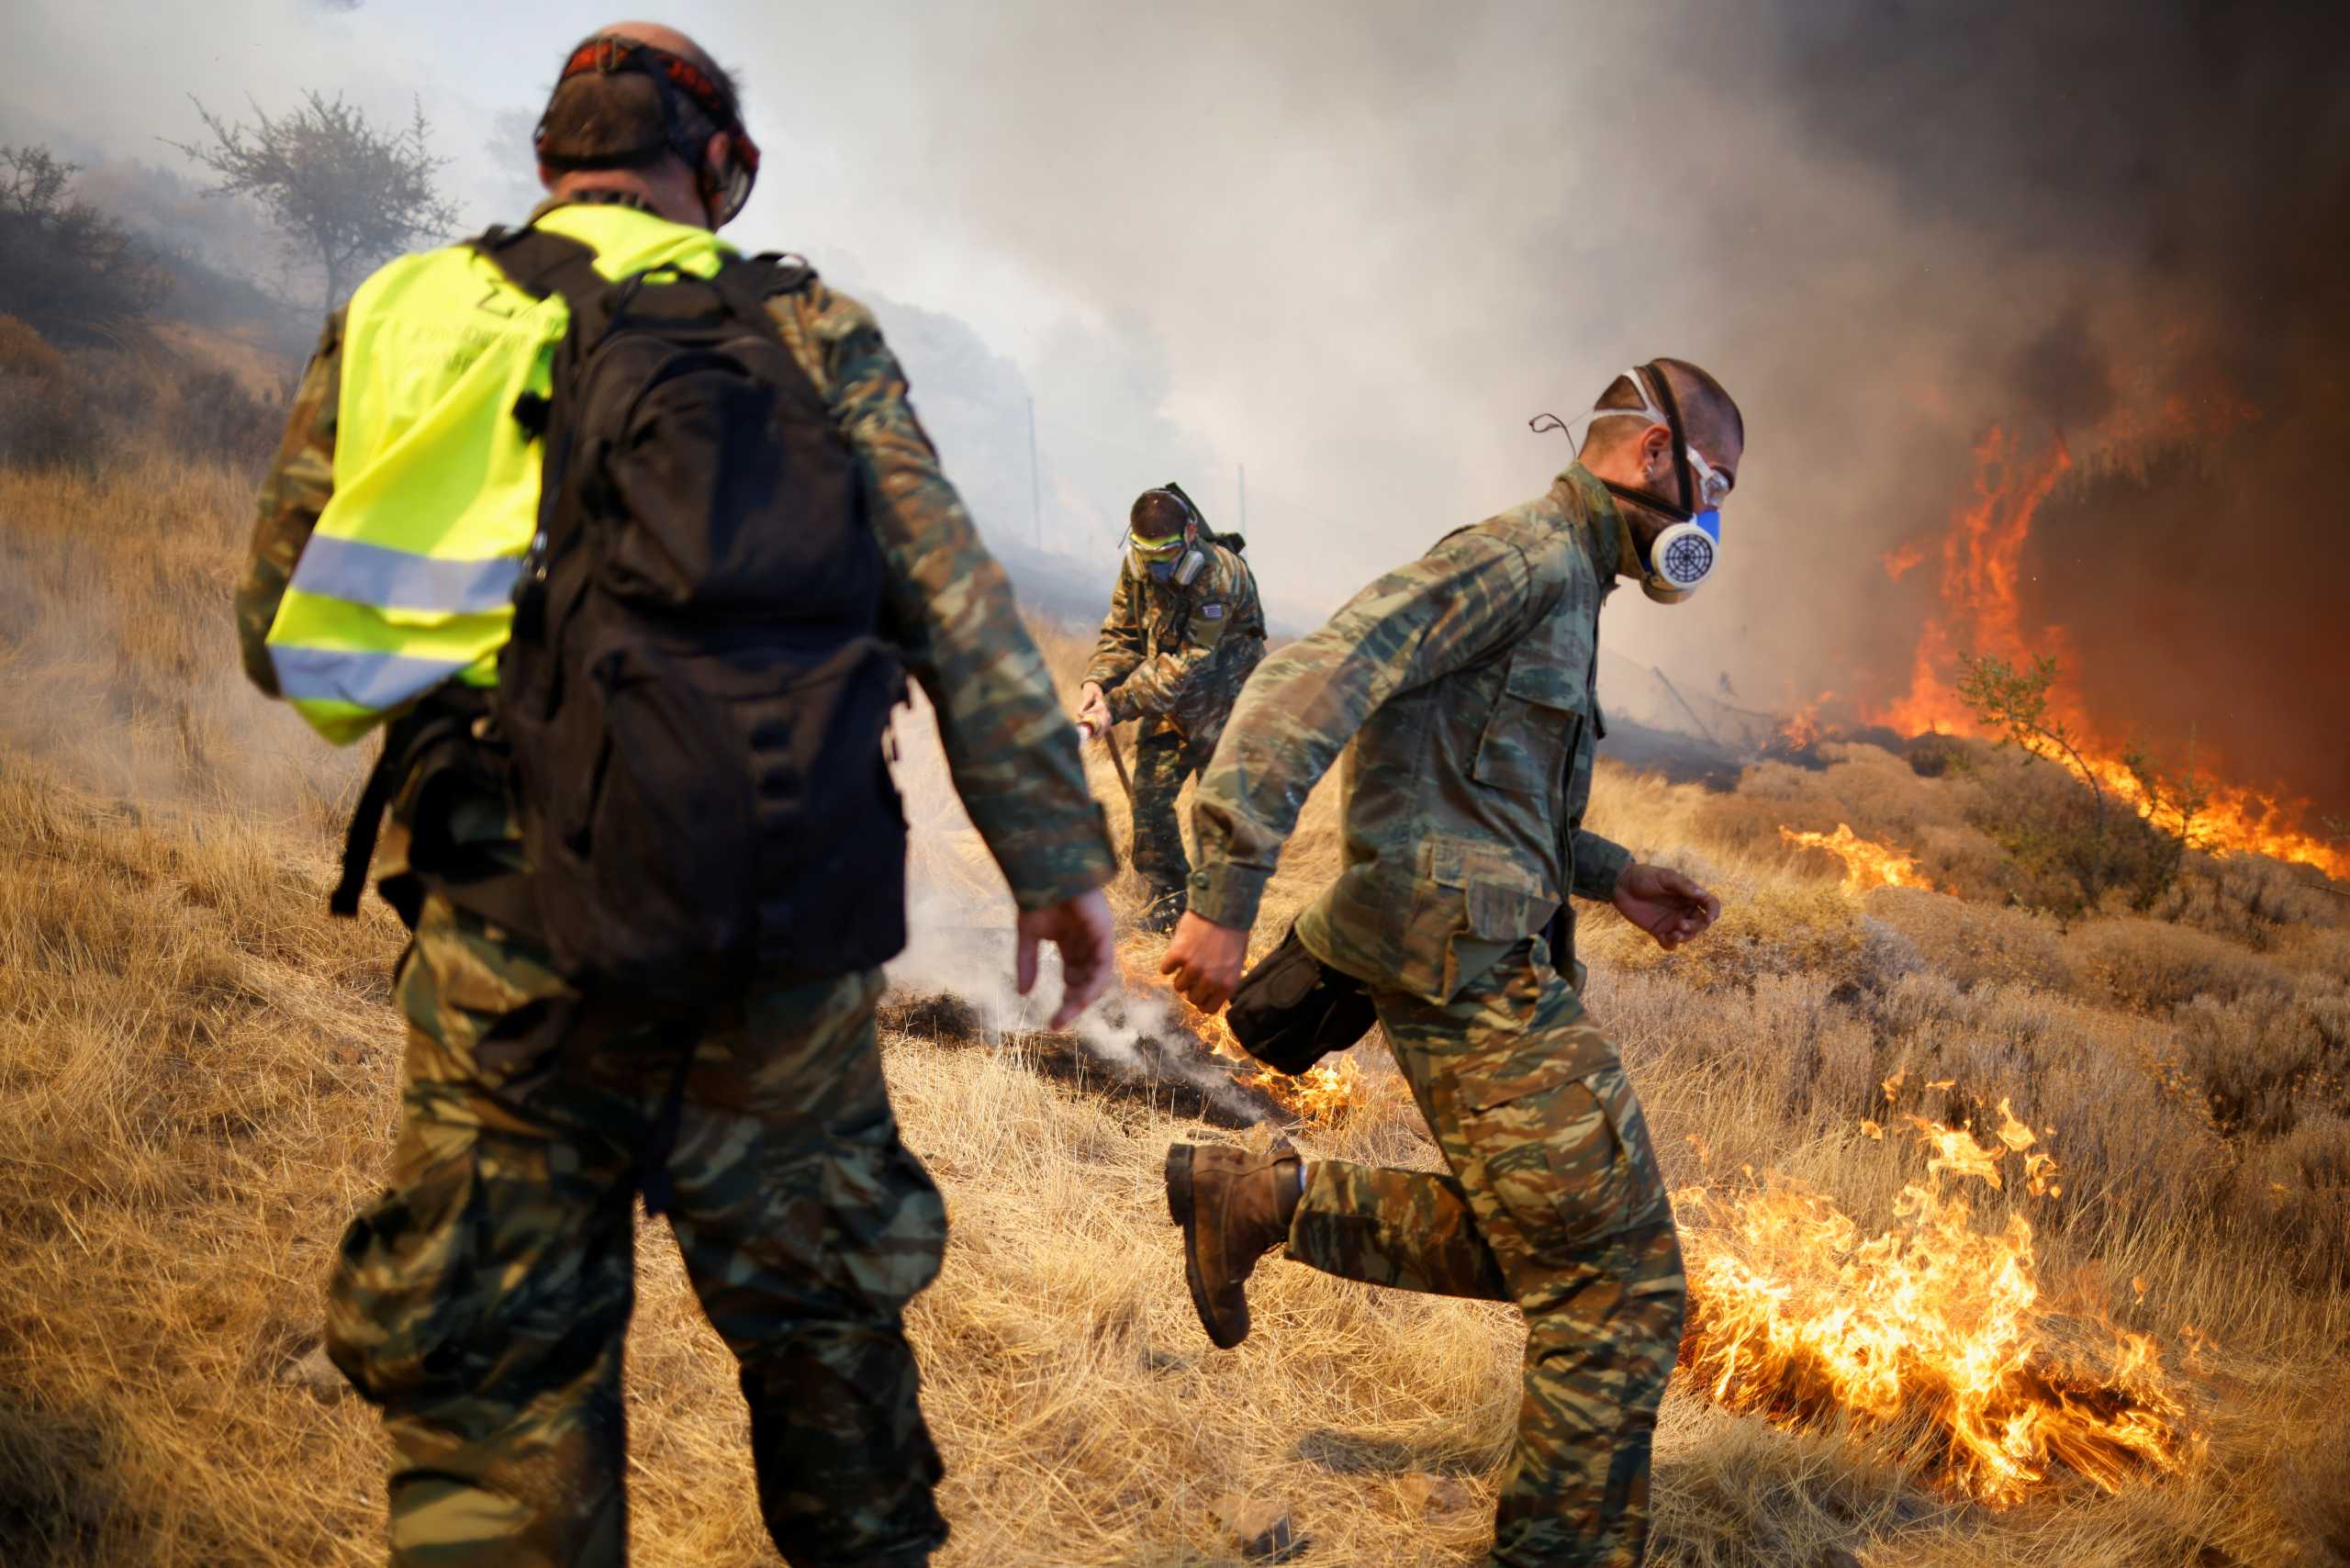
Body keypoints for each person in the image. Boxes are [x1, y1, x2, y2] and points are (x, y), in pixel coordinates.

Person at [233, 23, 1115, 1567]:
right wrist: (1057, 859)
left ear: (547, 163)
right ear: (721, 169)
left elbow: (280, 634)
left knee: (493, 1399)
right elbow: (958, 607)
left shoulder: (415, 308)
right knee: (831, 1346)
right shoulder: (810, 327)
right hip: (775, 953)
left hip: (517, 956)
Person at [1160, 360, 1741, 1567]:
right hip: (1456, 962)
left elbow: (1480, 790)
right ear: (1650, 458)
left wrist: (1608, 872)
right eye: (1714, 486)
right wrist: (1226, 890)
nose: (1712, 521)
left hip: (1481, 945)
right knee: (1618, 1289)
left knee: (1562, 1248)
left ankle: (1257, 1200)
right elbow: (1321, 669)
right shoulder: (1526, 555)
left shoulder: (1573, 583)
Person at [1076, 483, 1268, 932]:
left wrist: (1115, 708)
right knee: (1149, 804)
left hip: (1227, 712)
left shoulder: (1221, 576)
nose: (1157, 569)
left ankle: (1218, 921)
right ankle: (1170, 903)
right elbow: (1122, 633)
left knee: (1220, 818)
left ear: (1190, 533)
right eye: (1147, 556)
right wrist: (1097, 681)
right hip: (1169, 710)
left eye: (1166, 556)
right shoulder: (1137, 568)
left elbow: (1184, 665)